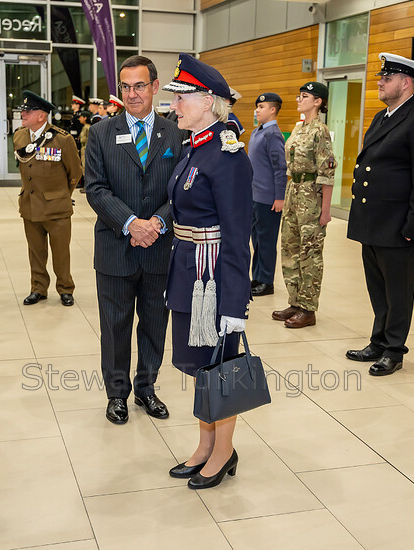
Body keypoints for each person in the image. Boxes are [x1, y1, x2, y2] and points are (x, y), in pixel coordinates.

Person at [162, 53, 253, 490]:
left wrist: (235, 302)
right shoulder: (196, 147)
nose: (174, 106)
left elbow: (237, 236)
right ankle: (205, 446)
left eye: (183, 98)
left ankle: (222, 452)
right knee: (202, 367)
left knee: (222, 367)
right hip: (190, 273)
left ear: (210, 101)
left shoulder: (228, 155)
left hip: (215, 279)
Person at [85, 55, 184, 425]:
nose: (132, 94)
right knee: (114, 326)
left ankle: (146, 387)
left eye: (139, 85)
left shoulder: (176, 133)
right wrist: (131, 223)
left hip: (160, 247)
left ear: (155, 87)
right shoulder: (100, 133)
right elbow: (95, 188)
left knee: (155, 322)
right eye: (125, 86)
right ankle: (116, 394)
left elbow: (182, 192)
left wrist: (158, 221)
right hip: (115, 246)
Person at [345, 53, 414, 375]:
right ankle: (378, 340)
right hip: (372, 220)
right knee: (377, 287)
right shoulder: (381, 118)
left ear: (406, 82)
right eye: (381, 77)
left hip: (398, 224)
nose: (380, 82)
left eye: (387, 78)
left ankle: (394, 350)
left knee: (398, 292)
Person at [271, 82, 335, 329]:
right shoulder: (299, 129)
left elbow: (327, 172)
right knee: (289, 248)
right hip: (293, 191)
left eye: (304, 96)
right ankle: (295, 302)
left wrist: (326, 210)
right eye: (299, 95)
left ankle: (308, 309)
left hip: (311, 194)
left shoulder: (321, 131)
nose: (299, 99)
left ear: (318, 101)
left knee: (310, 253)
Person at [14, 91, 83, 307]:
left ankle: (65, 288)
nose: (23, 114)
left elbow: (75, 173)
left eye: (28, 111)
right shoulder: (19, 137)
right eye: (23, 110)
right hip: (30, 205)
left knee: (61, 252)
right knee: (35, 251)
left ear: (42, 116)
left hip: (57, 208)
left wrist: (62, 195)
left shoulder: (62, 139)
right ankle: (38, 288)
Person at [248, 92, 286, 297]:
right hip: (255, 196)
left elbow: (280, 167)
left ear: (272, 110)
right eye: (257, 107)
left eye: (261, 107)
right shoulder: (258, 132)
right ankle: (258, 277)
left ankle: (266, 281)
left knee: (267, 241)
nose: (257, 110)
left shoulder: (273, 134)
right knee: (257, 240)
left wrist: (279, 197)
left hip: (269, 199)